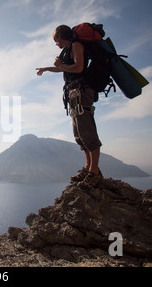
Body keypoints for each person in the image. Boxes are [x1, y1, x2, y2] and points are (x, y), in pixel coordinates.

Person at [36, 25, 103, 188]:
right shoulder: (66, 50)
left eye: (56, 39)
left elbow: (78, 67)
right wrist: (47, 68)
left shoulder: (76, 46)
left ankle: (94, 172)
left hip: (81, 90)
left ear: (62, 36)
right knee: (79, 134)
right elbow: (63, 68)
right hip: (73, 93)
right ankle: (88, 168)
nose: (55, 43)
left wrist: (60, 65)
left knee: (87, 131)